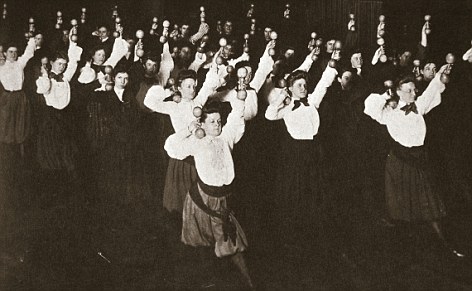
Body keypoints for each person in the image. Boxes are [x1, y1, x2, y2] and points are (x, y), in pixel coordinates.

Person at [363, 70, 465, 258]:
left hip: (419, 160)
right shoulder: (389, 113)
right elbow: (369, 105)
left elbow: (433, 88)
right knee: (403, 208)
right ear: (399, 92)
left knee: (430, 205)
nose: (413, 93)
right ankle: (408, 252)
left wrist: (443, 71)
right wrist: (388, 94)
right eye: (408, 90)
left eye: (413, 90)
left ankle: (446, 246)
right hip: (399, 163)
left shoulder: (419, 106)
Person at [164, 99, 253, 289]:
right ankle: (206, 283)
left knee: (232, 243)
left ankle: (249, 284)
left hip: (223, 200)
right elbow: (170, 147)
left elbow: (237, 119)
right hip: (201, 200)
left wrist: (240, 98)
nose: (217, 124)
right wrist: (188, 130)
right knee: (202, 246)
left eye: (219, 121)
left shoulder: (227, 137)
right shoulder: (197, 142)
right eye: (212, 121)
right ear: (202, 124)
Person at [264, 66, 337, 249]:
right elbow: (269, 115)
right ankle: (294, 233)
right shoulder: (287, 107)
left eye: (304, 84)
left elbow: (323, 85)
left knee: (315, 189)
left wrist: (331, 65)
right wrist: (283, 97)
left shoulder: (312, 101)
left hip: (314, 151)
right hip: (295, 154)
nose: (303, 88)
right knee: (296, 190)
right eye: (299, 85)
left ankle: (315, 231)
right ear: (291, 88)